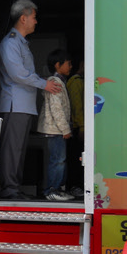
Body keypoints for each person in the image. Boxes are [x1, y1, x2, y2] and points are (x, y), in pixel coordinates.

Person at [0, 0, 62, 200]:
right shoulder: (10, 43)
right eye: (33, 17)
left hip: (23, 106)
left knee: (18, 150)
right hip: (14, 106)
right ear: (23, 19)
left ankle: (13, 188)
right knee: (12, 151)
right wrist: (44, 84)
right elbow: (18, 74)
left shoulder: (20, 43)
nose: (36, 21)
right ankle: (9, 190)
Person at [37, 49, 75, 202]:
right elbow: (56, 108)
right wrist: (65, 129)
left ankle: (58, 189)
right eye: (68, 63)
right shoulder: (56, 82)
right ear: (58, 65)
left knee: (60, 159)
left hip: (57, 129)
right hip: (56, 129)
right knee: (58, 160)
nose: (71, 66)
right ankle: (52, 190)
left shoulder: (59, 81)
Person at [66, 59, 85, 198]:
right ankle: (74, 187)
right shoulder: (76, 82)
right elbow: (77, 107)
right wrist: (82, 126)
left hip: (80, 126)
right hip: (78, 127)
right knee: (77, 159)